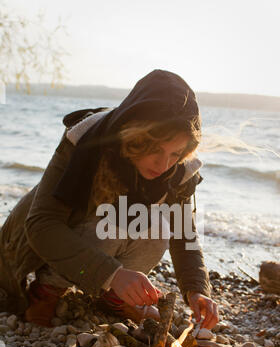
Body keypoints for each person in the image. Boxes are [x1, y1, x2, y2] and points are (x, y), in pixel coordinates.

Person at [0, 69, 218, 328]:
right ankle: (47, 291)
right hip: (36, 243)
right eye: (156, 149)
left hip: (95, 245)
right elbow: (41, 225)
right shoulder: (86, 140)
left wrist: (197, 290)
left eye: (175, 153)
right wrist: (113, 274)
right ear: (135, 133)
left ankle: (112, 297)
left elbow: (184, 234)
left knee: (160, 227)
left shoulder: (178, 169)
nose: (164, 163)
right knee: (112, 221)